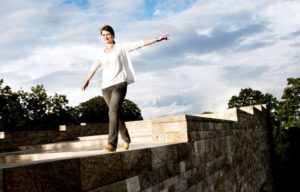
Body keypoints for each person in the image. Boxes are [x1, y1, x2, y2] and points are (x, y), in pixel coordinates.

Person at [81, 25, 169, 152]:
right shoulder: (101, 53)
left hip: (120, 84)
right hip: (106, 87)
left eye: (108, 34)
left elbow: (140, 44)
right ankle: (126, 139)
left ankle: (111, 144)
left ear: (113, 35)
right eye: (103, 35)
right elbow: (93, 67)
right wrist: (87, 80)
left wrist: (157, 39)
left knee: (112, 112)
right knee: (115, 113)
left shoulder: (121, 47)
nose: (106, 37)